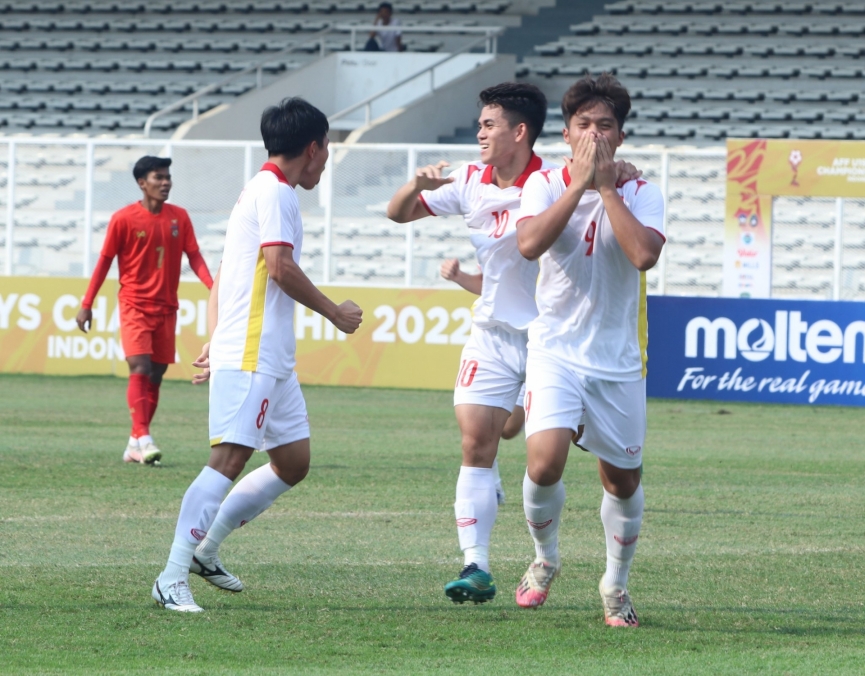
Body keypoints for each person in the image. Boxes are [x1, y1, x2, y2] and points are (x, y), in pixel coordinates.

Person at [152, 97, 363, 613]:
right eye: (328, 148)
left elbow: (228, 273)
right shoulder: (276, 193)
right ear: (313, 149)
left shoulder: (263, 188)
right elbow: (279, 267)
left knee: (293, 461)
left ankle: (205, 550)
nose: (327, 158)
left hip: (264, 353)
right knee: (227, 460)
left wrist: (215, 333)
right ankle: (172, 573)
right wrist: (335, 313)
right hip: (252, 351)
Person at [514, 73, 665, 627]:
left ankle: (615, 584)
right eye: (584, 125)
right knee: (544, 461)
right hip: (554, 350)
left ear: (620, 136)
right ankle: (544, 560)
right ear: (566, 133)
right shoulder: (545, 184)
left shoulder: (641, 190)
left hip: (617, 361)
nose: (594, 135)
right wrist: (580, 185)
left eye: (605, 126)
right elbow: (529, 245)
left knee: (621, 481)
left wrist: (606, 188)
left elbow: (644, 256)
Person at [76, 156, 213, 466]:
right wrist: (87, 304)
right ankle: (144, 436)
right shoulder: (124, 219)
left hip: (167, 307)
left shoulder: (180, 217)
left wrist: (213, 288)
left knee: (157, 373)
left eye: (167, 177)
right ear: (142, 183)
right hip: (134, 305)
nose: (166, 182)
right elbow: (104, 262)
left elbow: (195, 257)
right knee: (139, 367)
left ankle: (134, 443)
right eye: (158, 177)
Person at [439, 257, 525, 505]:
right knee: (504, 430)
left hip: (549, 342)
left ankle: (625, 461)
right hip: (501, 344)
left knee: (578, 434)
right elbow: (491, 286)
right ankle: (489, 475)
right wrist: (459, 277)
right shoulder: (496, 231)